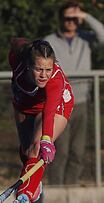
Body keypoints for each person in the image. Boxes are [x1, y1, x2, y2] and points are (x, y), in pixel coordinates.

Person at [44, 0, 104, 185]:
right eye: (67, 18)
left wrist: (86, 16)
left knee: (77, 152)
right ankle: (57, 192)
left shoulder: (86, 38)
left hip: (82, 102)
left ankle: (71, 189)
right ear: (60, 19)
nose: (71, 21)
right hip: (58, 104)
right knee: (60, 151)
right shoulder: (49, 41)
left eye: (75, 18)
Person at [8, 39, 74, 203]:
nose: (44, 75)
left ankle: (24, 196)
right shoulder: (18, 58)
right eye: (38, 69)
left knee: (36, 147)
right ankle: (35, 187)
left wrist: (46, 140)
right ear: (29, 65)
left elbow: (49, 112)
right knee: (26, 152)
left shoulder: (55, 81)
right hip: (24, 104)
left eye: (48, 69)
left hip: (56, 105)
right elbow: (16, 42)